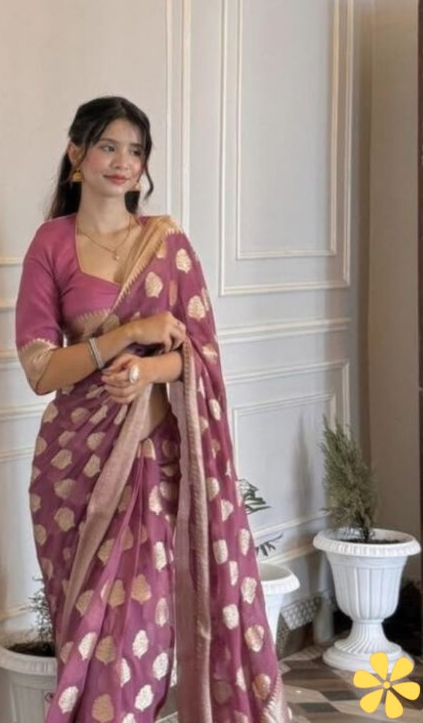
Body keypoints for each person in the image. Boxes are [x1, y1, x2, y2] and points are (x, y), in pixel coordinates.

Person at [15, 96, 291, 723]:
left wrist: (145, 368)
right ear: (75, 152)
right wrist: (123, 337)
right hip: (73, 470)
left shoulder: (167, 243)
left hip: (150, 464)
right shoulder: (51, 244)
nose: (122, 162)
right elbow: (39, 369)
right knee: (89, 644)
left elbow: (200, 357)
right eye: (109, 146)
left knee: (137, 648)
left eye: (135, 151)